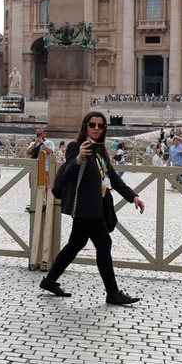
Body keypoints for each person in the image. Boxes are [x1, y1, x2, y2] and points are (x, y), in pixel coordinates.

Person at [41, 110, 146, 306]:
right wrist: (80, 157)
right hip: (84, 207)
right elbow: (69, 172)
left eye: (100, 125)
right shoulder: (76, 147)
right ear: (85, 126)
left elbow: (112, 177)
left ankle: (49, 280)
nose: (96, 128)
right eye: (92, 125)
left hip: (96, 205)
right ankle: (112, 292)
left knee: (75, 244)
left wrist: (134, 197)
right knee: (104, 244)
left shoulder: (100, 150)